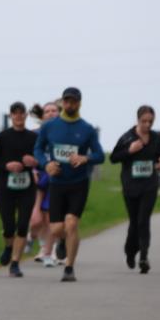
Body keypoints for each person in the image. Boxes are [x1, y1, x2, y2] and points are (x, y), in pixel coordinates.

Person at [34, 87, 105, 282]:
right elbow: (38, 150)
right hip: (57, 183)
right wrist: (46, 164)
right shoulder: (50, 127)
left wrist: (84, 158)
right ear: (63, 102)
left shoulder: (87, 129)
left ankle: (69, 268)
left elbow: (100, 155)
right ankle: (63, 240)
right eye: (66, 101)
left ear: (79, 103)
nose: (69, 104)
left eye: (73, 101)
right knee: (57, 229)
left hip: (78, 183)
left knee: (72, 223)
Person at [109, 105, 160, 273]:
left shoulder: (155, 137)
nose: (147, 124)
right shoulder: (127, 137)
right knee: (134, 222)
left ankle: (144, 257)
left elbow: (158, 155)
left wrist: (159, 162)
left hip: (150, 185)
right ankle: (130, 251)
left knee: (143, 220)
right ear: (137, 120)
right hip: (131, 185)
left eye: (150, 121)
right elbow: (113, 158)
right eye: (144, 121)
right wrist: (129, 150)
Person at [0, 102, 39, 277]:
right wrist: (6, 165)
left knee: (23, 224)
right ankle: (8, 247)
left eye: (21, 113)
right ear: (10, 116)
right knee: (9, 226)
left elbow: (40, 159)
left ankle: (15, 263)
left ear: (25, 115)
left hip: (27, 188)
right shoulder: (2, 137)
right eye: (14, 113)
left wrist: (34, 162)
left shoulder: (33, 137)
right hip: (5, 188)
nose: (18, 116)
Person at [29, 102, 62, 266]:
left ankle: (51, 250)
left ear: (59, 114)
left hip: (58, 178)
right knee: (38, 218)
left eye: (54, 111)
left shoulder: (65, 133)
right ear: (42, 116)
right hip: (38, 178)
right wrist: (32, 170)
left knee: (52, 216)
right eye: (47, 111)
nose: (50, 113)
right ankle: (40, 245)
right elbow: (27, 155)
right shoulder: (34, 134)